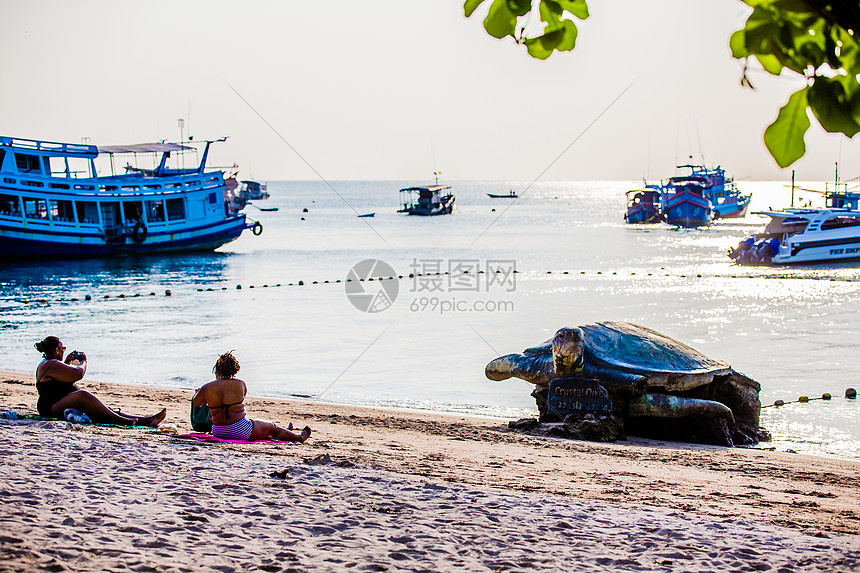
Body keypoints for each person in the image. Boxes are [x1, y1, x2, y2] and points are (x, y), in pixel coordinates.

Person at [34, 336, 167, 426]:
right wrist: (83, 360)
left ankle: (146, 420)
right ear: (56, 350)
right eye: (62, 348)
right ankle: (122, 421)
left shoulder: (51, 364)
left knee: (101, 409)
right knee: (83, 396)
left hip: (56, 404)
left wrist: (67, 363)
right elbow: (78, 373)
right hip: (50, 408)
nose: (63, 351)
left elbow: (62, 380)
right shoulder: (50, 364)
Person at [193, 351, 311, 442]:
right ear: (234, 369)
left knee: (261, 427)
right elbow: (240, 398)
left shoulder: (207, 387)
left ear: (217, 370)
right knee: (271, 426)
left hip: (218, 430)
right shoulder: (240, 384)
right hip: (240, 430)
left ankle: (283, 433)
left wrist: (198, 393)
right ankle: (299, 437)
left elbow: (197, 403)